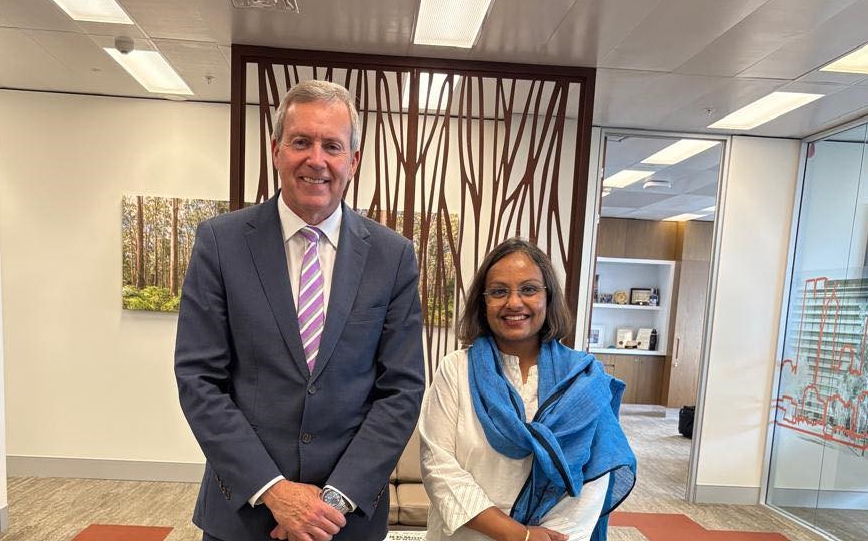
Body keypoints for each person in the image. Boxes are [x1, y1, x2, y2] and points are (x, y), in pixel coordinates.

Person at [175, 79, 425, 541]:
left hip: (345, 521)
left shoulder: (392, 257)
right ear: (276, 150)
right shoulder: (221, 243)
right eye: (301, 142)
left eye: (332, 145)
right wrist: (274, 491)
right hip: (244, 516)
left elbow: (402, 390)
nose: (316, 159)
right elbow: (199, 380)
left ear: (353, 160)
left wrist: (332, 501)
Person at [418, 239, 636, 541]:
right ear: (483, 303)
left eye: (529, 289)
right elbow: (438, 466)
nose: (514, 303)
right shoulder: (455, 369)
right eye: (499, 292)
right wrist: (518, 535)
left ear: (549, 297)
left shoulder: (583, 379)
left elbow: (594, 475)